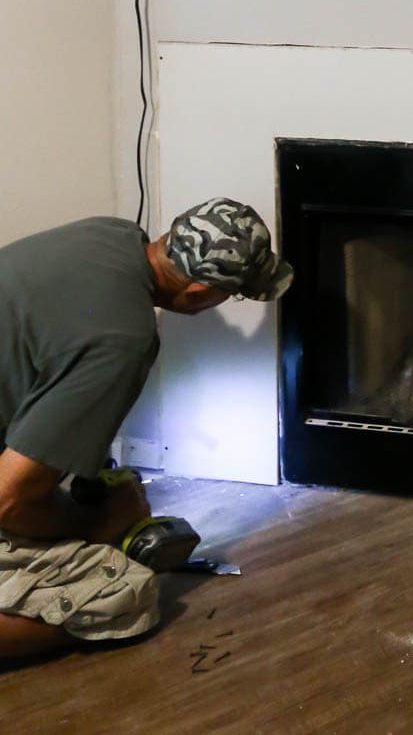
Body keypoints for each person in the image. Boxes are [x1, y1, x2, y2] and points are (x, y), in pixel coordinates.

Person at [0, 197, 293, 661]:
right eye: (233, 294)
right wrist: (97, 525)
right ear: (198, 294)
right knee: (126, 595)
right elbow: (8, 498)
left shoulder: (108, 232)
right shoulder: (124, 339)